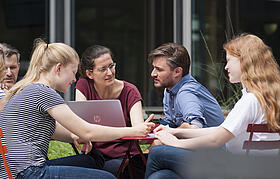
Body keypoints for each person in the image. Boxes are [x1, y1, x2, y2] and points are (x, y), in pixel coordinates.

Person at [0, 39, 154, 179]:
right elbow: (87, 131)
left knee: (92, 160)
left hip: (14, 170)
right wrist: (132, 131)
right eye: (72, 72)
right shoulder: (44, 92)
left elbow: (53, 129)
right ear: (58, 68)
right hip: (27, 172)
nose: (74, 79)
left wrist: (73, 135)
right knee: (107, 177)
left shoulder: (29, 88)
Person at [145, 34, 280, 179]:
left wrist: (177, 143)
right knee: (162, 176)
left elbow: (216, 139)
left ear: (245, 62)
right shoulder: (265, 97)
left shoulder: (250, 100)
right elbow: (221, 130)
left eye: (229, 61)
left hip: (237, 168)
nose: (226, 67)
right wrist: (174, 132)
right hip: (259, 167)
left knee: (158, 153)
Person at [75, 45, 149, 176]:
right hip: (93, 154)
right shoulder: (83, 85)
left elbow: (138, 130)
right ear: (89, 74)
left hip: (124, 156)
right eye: (103, 69)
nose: (109, 73)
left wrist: (142, 128)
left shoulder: (130, 91)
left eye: (111, 66)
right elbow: (80, 125)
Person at [148, 42, 224, 129]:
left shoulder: (186, 93)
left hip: (207, 142)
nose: (153, 74)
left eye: (159, 69)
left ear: (177, 71)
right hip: (195, 141)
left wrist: (169, 132)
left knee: (157, 142)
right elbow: (170, 124)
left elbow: (194, 127)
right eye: (154, 68)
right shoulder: (169, 90)